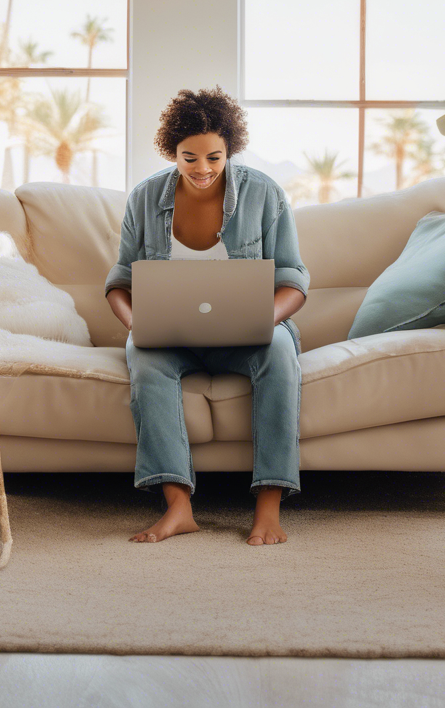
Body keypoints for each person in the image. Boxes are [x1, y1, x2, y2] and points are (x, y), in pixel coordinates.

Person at [104, 86, 309, 545]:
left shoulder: (264, 193)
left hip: (250, 335)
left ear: (229, 149)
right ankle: (178, 507)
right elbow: (120, 280)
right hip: (171, 338)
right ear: (171, 151)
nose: (202, 169)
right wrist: (137, 324)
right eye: (189, 158)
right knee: (144, 358)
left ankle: (269, 507)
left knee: (279, 351)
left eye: (214, 157)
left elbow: (294, 278)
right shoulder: (145, 198)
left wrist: (265, 319)